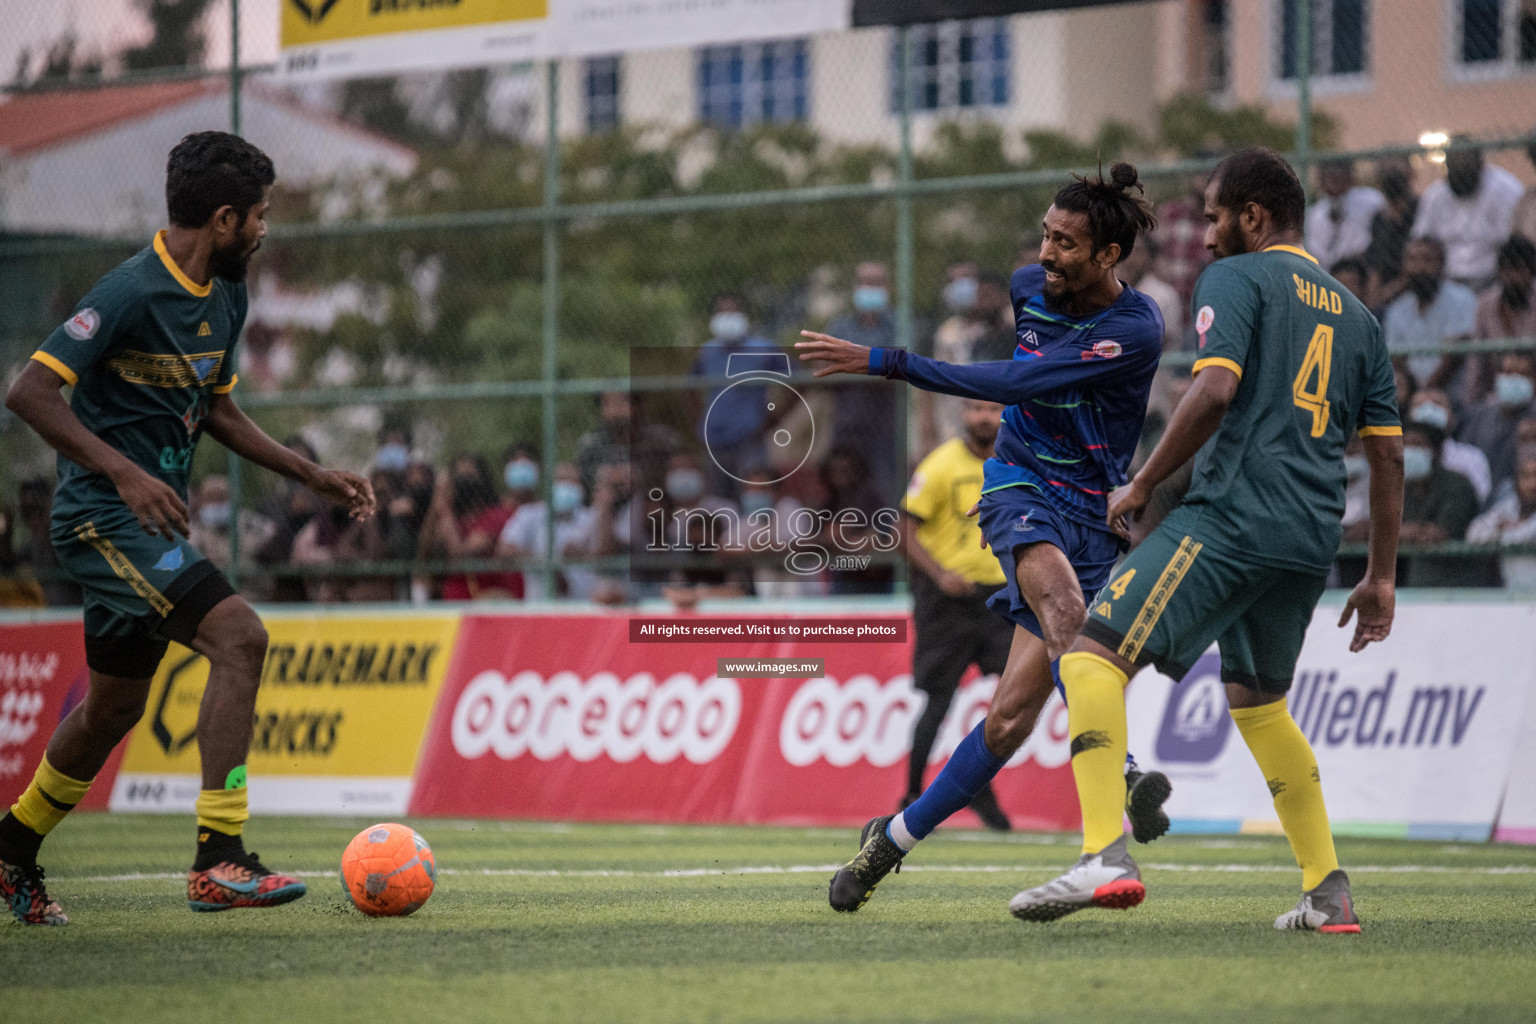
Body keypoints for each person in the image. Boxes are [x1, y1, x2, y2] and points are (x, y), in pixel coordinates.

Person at [1008, 147, 1402, 931]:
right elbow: (1387, 450)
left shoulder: (1235, 278)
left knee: (1090, 657)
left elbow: (1215, 387)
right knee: (1260, 707)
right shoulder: (1359, 317)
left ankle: (1103, 856)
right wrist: (1381, 574)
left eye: (1218, 217)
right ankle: (1327, 892)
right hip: (1309, 538)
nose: (1210, 234)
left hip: (1231, 517)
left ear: (1254, 216)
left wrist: (1146, 482)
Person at [0, 131, 377, 925]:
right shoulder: (131, 291)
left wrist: (310, 474)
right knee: (241, 637)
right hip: (101, 518)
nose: (267, 230)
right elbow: (29, 392)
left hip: (145, 521)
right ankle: (219, 856)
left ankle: (10, 851)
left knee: (111, 713)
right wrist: (124, 472)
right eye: (261, 217)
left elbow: (217, 408)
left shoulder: (228, 293)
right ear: (225, 216)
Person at [797, 162, 1172, 912]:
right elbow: (1017, 390)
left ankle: (889, 841)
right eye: (1046, 235)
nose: (1046, 253)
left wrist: (887, 362)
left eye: (1067, 242)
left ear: (1108, 257)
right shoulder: (1030, 287)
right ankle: (1123, 777)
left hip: (1091, 514)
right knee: (1067, 610)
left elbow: (1015, 384)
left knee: (1007, 719)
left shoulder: (1134, 329)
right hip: (1018, 484)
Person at [898, 398, 1013, 829]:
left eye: (993, 409)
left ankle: (979, 788)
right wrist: (940, 574)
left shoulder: (1014, 462)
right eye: (977, 409)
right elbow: (903, 530)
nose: (985, 417)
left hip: (1001, 598)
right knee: (939, 700)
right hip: (948, 602)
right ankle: (910, 794)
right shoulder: (941, 464)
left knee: (1015, 697)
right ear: (964, 415)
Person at [690, 294, 783, 499]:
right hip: (715, 439)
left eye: (732, 312)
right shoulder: (706, 352)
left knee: (754, 498)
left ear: (744, 316)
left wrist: (775, 418)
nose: (727, 317)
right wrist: (700, 423)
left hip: (750, 439)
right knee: (718, 501)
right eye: (722, 312)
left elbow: (799, 381)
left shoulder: (763, 350)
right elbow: (689, 388)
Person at [825, 262, 901, 506]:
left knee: (885, 489)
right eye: (865, 282)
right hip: (846, 423)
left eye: (876, 282)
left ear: (888, 287)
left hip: (885, 426)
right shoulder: (839, 327)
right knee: (845, 490)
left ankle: (888, 542)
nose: (870, 288)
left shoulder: (899, 326)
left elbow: (899, 372)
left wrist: (852, 364)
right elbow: (824, 370)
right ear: (855, 286)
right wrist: (873, 366)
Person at [1412, 142, 1523, 291]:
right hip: (1445, 281)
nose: (1460, 168)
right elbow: (1421, 239)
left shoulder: (1505, 188)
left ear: (1480, 165)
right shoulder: (1435, 195)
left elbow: (1515, 241)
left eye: (1465, 165)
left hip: (1493, 280)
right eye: (1455, 167)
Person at [1382, 237, 1477, 396]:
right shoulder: (1397, 309)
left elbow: (1454, 355)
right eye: (1412, 260)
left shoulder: (1462, 298)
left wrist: (1425, 390)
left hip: (1452, 391)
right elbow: (1396, 360)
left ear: (1441, 264)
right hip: (1411, 392)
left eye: (1427, 260)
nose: (1419, 268)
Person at [1396, 420, 1482, 588]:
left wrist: (1403, 532)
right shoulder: (1402, 487)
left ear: (1437, 451)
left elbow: (1439, 534)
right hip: (1417, 582)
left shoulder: (1458, 484)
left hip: (1460, 583)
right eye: (1406, 445)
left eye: (1418, 445)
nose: (1410, 451)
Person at [497, 462, 597, 601]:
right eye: (560, 480)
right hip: (540, 606)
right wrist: (547, 566)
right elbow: (505, 549)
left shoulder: (592, 518)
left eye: (572, 481)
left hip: (582, 605)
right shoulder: (529, 514)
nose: (565, 487)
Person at [1457, 352, 1536, 496]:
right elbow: (1464, 457)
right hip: (1480, 495)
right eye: (1509, 372)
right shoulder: (1481, 415)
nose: (1514, 379)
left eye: (1523, 374)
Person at [1468, 446, 1536, 589]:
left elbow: (1521, 537)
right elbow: (1475, 534)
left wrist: (1508, 529)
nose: (1532, 484)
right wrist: (1500, 526)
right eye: (1526, 476)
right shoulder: (1510, 506)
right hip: (1513, 598)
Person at [1304, 159, 1385, 272]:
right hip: (1324, 274)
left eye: (1339, 176)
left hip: (1358, 271)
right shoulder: (1314, 214)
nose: (1334, 182)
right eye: (1330, 176)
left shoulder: (1369, 200)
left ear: (1350, 177)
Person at [1363, 157, 1418, 311]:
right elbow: (1375, 267)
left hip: (1416, 285)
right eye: (1385, 172)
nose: (1391, 177)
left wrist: (1385, 295)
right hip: (1386, 290)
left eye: (1396, 171)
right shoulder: (1380, 219)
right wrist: (1372, 299)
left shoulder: (1420, 210)